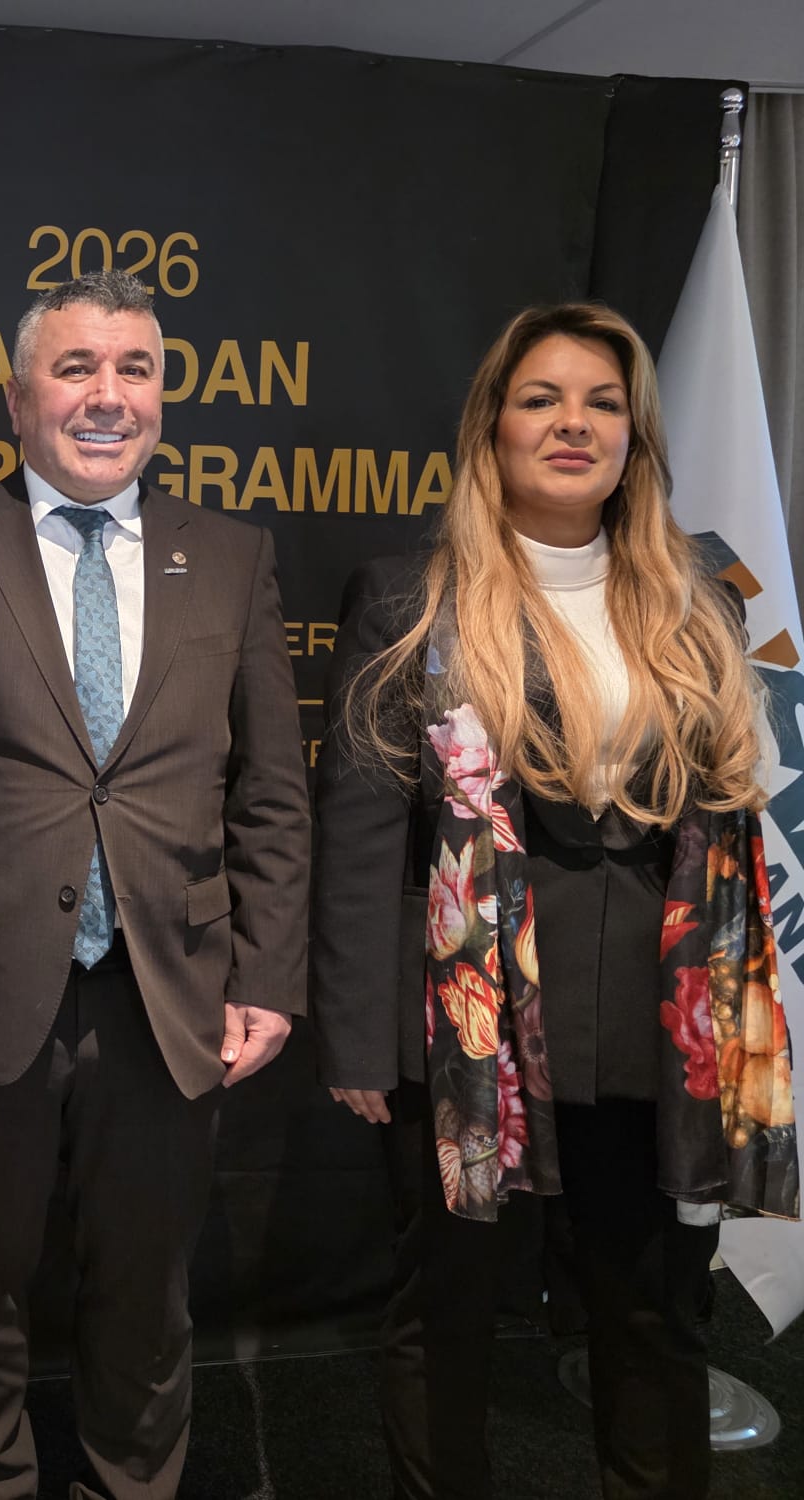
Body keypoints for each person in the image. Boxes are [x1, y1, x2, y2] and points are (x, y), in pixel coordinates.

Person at [311, 301, 798, 1500]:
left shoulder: (698, 595)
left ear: (633, 436)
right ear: (492, 426)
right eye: (540, 399)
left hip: (649, 1015)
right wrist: (360, 1039)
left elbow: (721, 822)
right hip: (462, 1022)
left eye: (600, 403)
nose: (571, 424)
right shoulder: (406, 599)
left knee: (647, 1313)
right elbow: (361, 836)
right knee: (447, 1313)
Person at [0, 269, 312, 1499]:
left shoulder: (233, 556)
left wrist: (267, 972)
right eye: (76, 368)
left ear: (160, 396)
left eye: (134, 370)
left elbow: (270, 787)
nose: (108, 395)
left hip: (170, 996)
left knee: (147, 1304)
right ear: (16, 400)